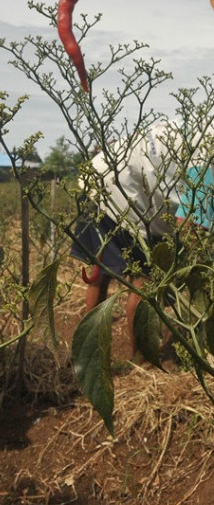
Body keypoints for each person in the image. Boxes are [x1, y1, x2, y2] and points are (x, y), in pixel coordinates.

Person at [70, 121, 181, 359]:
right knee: (143, 280)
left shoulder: (188, 127)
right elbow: (188, 222)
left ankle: (91, 354)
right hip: (126, 196)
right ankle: (140, 357)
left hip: (97, 178)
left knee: (99, 274)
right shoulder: (205, 153)